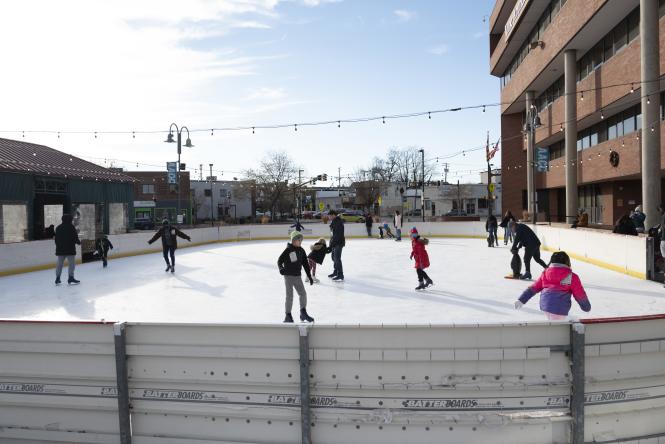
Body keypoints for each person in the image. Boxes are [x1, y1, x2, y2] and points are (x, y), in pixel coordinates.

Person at [514, 251, 591, 320]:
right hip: (560, 307)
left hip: (545, 305)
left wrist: (521, 299)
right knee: (556, 326)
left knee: (551, 322)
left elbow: (534, 288)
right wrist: (586, 306)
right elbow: (579, 294)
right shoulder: (571, 276)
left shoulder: (545, 273)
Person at [278, 230, 314, 323]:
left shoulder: (301, 250)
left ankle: (303, 313)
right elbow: (279, 261)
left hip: (297, 276)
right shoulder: (288, 250)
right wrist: (281, 268)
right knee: (289, 296)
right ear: (293, 240)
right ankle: (288, 315)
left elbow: (305, 264)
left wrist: (309, 276)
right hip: (288, 276)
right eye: (299, 239)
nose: (300, 241)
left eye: (301, 240)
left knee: (303, 294)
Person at [54, 214, 81, 285]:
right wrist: (78, 242)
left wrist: (59, 246)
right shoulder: (71, 227)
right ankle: (70, 277)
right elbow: (75, 237)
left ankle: (57, 278)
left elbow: (56, 240)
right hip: (70, 250)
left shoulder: (58, 227)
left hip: (60, 250)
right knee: (71, 264)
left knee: (59, 264)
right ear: (69, 220)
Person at [328, 210, 345, 281]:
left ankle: (340, 274)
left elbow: (337, 235)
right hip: (334, 243)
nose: (329, 217)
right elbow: (333, 234)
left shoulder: (338, 222)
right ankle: (335, 272)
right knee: (333, 258)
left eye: (329, 215)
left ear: (333, 215)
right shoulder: (334, 221)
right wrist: (331, 243)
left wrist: (332, 244)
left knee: (337, 259)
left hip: (338, 243)